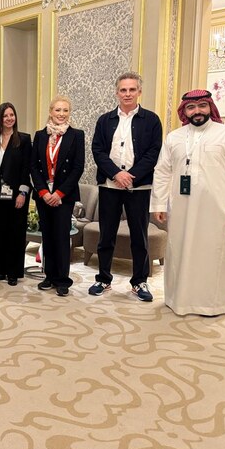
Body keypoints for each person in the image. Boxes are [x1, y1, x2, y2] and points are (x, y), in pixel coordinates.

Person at [151, 89, 225, 316]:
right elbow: (162, 171)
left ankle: (212, 304)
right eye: (191, 107)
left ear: (210, 107)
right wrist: (159, 204)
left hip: (217, 208)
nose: (197, 111)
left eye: (202, 106)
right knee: (180, 250)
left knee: (213, 252)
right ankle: (178, 299)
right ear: (185, 111)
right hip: (181, 207)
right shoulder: (174, 137)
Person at [89, 72, 162, 302]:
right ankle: (103, 278)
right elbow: (98, 150)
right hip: (110, 186)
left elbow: (153, 153)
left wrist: (131, 176)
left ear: (139, 91)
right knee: (106, 235)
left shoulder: (151, 120)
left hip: (138, 188)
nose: (127, 94)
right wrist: (116, 174)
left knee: (139, 236)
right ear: (116, 92)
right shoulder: (105, 120)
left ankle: (139, 282)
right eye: (123, 90)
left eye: (132, 89)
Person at [30, 96, 85, 296]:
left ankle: (62, 279)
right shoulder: (40, 135)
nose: (61, 114)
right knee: (48, 236)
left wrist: (59, 193)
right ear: (50, 112)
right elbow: (33, 166)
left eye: (65, 110)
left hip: (64, 195)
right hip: (44, 195)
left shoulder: (76, 135)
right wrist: (43, 192)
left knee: (61, 237)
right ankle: (49, 276)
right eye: (58, 110)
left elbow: (78, 167)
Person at [0, 102, 32, 286]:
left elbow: (27, 168)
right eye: (5, 115)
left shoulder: (24, 139)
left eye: (12, 115)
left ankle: (13, 272)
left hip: (17, 195)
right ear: (0, 118)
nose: (9, 118)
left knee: (15, 232)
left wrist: (23, 192)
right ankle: (0, 270)